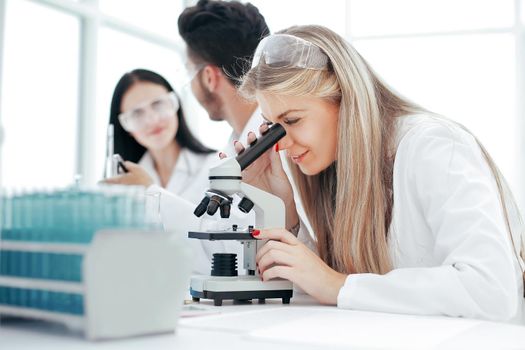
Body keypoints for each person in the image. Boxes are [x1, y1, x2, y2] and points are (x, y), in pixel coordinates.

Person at [230, 25, 525, 323]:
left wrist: (339, 285)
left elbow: (491, 289)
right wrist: (285, 211)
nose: (280, 144)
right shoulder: (338, 167)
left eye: (292, 120)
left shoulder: (433, 147)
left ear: (345, 99)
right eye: (272, 126)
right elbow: (325, 287)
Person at [104, 68, 223, 273]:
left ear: (175, 104)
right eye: (136, 114)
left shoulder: (217, 167)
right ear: (126, 126)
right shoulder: (124, 185)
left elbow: (221, 246)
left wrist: (150, 189)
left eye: (158, 105)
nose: (152, 120)